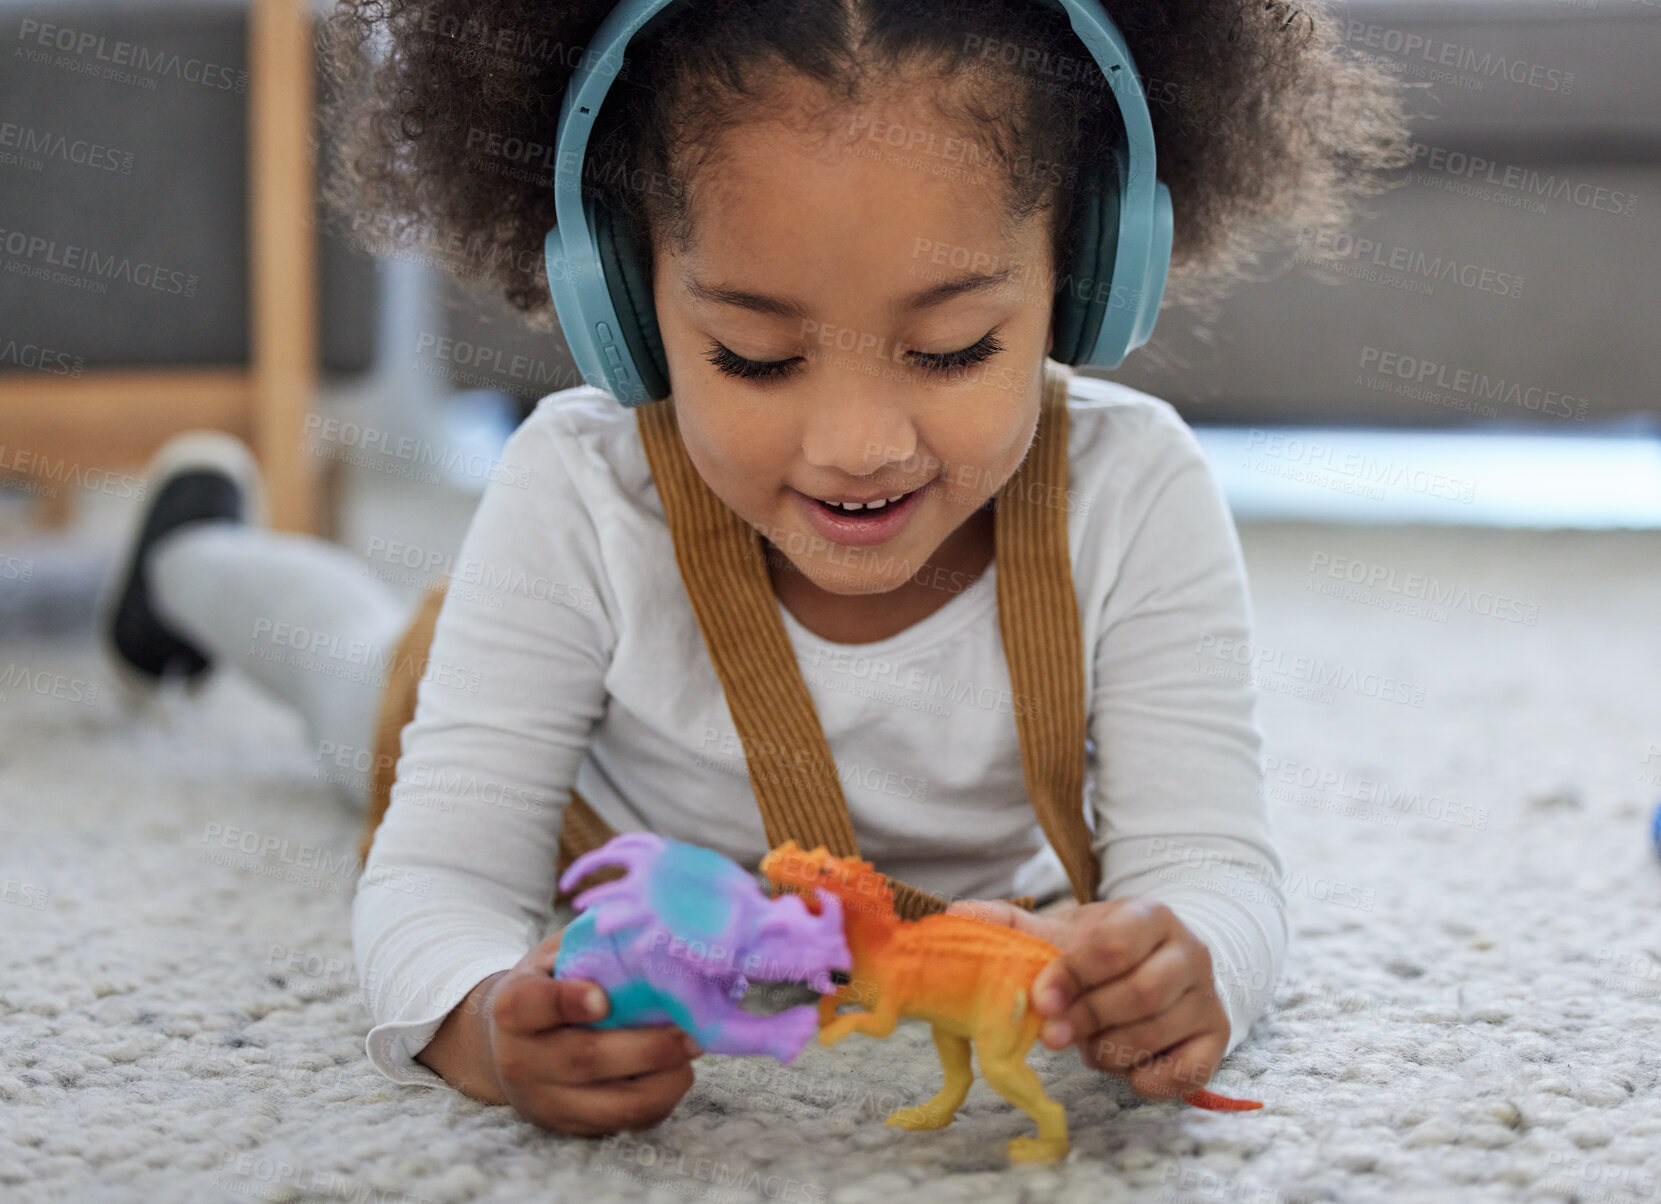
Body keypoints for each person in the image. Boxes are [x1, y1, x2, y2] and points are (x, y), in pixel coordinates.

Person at [102, 0, 1409, 1140]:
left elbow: (1214, 866)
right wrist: (476, 1025)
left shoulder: (1136, 494)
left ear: (1086, 278)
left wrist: (1199, 969)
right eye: (754, 359)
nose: (856, 447)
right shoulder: (578, 494)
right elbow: (440, 878)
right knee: (341, 672)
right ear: (618, 295)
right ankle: (189, 562)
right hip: (547, 753)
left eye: (953, 348)